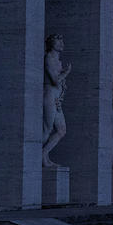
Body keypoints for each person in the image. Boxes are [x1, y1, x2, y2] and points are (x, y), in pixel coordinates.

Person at [42, 34, 71, 167]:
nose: (62, 44)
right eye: (59, 41)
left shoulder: (58, 61)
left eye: (62, 41)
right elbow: (54, 80)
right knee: (47, 130)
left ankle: (44, 153)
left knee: (61, 130)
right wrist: (66, 73)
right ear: (53, 44)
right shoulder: (49, 58)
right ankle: (37, 154)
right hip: (49, 95)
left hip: (57, 98)